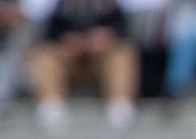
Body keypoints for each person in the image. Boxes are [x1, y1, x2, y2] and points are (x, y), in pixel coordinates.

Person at [28, 0, 138, 131]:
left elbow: (125, 34)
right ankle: (52, 108)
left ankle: (121, 108)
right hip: (70, 63)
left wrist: (105, 38)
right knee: (45, 54)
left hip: (100, 62)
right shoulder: (60, 7)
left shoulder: (109, 6)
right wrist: (69, 43)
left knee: (123, 53)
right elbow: (47, 37)